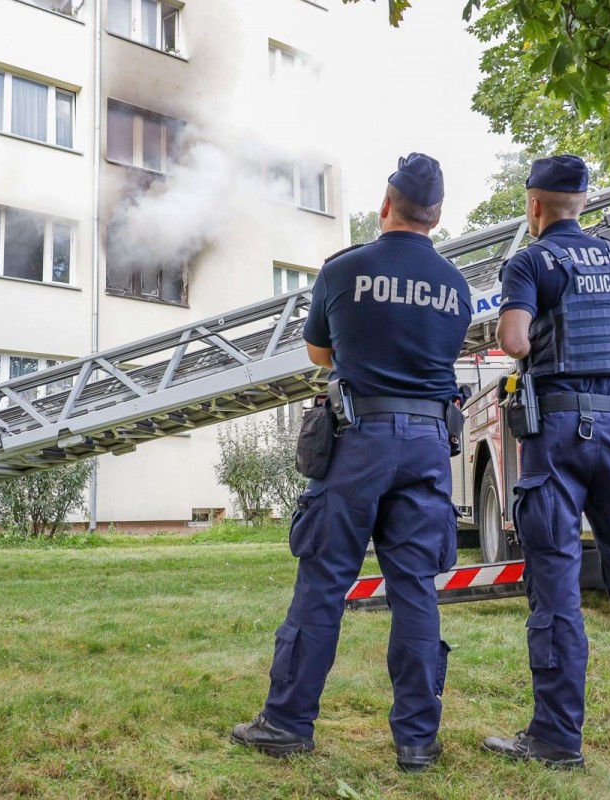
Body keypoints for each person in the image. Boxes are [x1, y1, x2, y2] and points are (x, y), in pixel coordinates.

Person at [231, 153, 472, 772]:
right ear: (437, 216)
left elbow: (318, 350)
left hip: (357, 440)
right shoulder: (456, 284)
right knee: (416, 588)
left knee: (324, 582)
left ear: (385, 204)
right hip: (426, 444)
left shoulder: (346, 270)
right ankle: (418, 740)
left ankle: (287, 723)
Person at [482, 155, 610, 769]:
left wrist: (546, 340)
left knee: (555, 586)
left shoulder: (530, 261)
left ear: (534, 205)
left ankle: (555, 740)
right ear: (581, 203)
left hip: (557, 436)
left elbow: (515, 342)